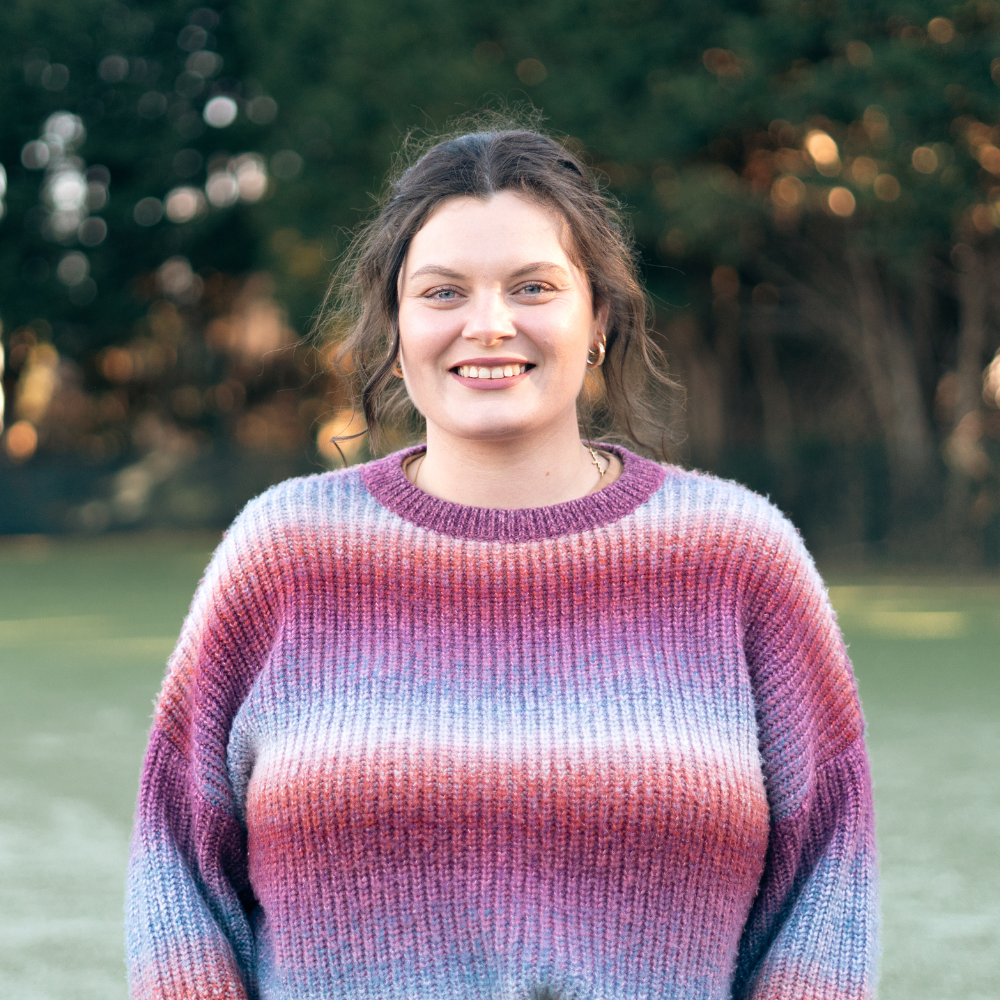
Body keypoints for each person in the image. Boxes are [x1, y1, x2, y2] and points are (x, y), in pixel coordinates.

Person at [125, 128, 878, 1000]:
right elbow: (178, 873)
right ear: (396, 324)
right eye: (443, 292)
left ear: (599, 318)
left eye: (533, 287)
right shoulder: (284, 553)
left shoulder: (738, 556)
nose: (488, 325)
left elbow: (826, 887)